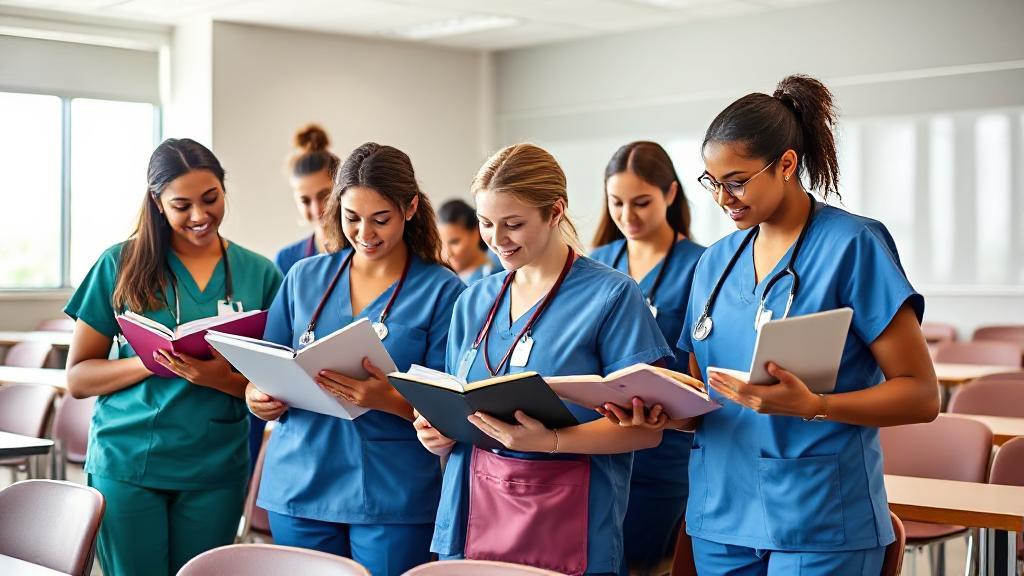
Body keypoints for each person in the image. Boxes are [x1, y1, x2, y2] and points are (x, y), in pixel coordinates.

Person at [607, 75, 939, 575]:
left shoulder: (853, 246)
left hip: (820, 517)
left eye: (737, 181)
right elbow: (706, 398)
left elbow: (921, 395)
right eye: (713, 182)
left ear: (786, 164)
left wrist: (816, 406)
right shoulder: (715, 264)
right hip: (720, 514)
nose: (723, 198)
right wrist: (664, 412)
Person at [415, 143, 673, 575]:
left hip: (566, 526)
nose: (497, 240)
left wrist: (550, 442)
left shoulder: (610, 296)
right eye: (486, 224)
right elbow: (456, 400)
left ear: (555, 212)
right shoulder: (473, 300)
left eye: (513, 224)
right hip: (470, 516)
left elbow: (647, 431)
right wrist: (437, 432)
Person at [64, 138, 282, 575]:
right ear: (157, 203)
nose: (200, 216)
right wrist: (149, 361)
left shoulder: (259, 273)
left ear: (224, 191)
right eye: (182, 205)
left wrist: (215, 377)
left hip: (215, 465)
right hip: (129, 462)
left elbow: (275, 382)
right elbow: (79, 378)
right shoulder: (119, 263)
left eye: (211, 199)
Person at [246, 142, 464, 576]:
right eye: (352, 218)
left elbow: (449, 408)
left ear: (410, 207)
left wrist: (386, 398)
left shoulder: (443, 290)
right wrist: (258, 397)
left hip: (391, 492)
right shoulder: (304, 278)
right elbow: (262, 366)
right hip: (301, 482)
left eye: (380, 219)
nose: (366, 233)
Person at [589, 141, 705, 575]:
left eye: (641, 203)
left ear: (670, 194)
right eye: (616, 203)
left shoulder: (703, 265)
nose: (628, 217)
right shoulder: (595, 264)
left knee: (646, 563)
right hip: (600, 439)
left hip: (666, 447)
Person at [274, 124, 340, 275]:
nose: (316, 209)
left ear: (341, 188)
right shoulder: (286, 261)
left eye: (324, 196)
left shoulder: (363, 252)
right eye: (305, 201)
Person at [438, 198, 502, 283]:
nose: (447, 254)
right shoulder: (444, 281)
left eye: (454, 242)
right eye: (440, 244)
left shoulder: (497, 275)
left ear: (475, 234)